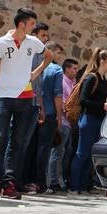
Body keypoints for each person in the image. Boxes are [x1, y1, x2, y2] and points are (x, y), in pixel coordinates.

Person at [0, 8, 52, 199]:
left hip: (26, 97)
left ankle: (10, 182)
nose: (33, 27)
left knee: (18, 143)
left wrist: (35, 73)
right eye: (31, 24)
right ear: (22, 24)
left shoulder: (33, 42)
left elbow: (49, 56)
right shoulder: (1, 43)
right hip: (5, 97)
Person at [70, 49, 107, 194]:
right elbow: (83, 100)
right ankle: (74, 186)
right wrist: (102, 106)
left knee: (90, 155)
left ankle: (83, 186)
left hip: (98, 119)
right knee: (82, 153)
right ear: (102, 61)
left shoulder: (103, 80)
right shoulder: (91, 78)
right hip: (88, 119)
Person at [19, 21, 50, 194]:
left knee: (27, 144)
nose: (45, 40)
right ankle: (16, 179)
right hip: (25, 100)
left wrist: (41, 106)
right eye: (43, 36)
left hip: (34, 102)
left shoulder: (39, 54)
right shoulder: (31, 53)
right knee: (20, 143)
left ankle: (21, 179)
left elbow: (39, 85)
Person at [35, 41, 64, 194]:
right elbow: (57, 95)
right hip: (50, 113)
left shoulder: (36, 67)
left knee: (33, 147)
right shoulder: (56, 70)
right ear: (50, 51)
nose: (59, 56)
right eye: (58, 52)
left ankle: (30, 180)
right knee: (44, 148)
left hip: (35, 110)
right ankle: (41, 182)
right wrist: (60, 116)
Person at [48, 56, 78, 192]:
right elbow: (63, 102)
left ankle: (59, 179)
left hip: (69, 123)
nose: (76, 71)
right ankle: (53, 180)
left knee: (64, 152)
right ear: (67, 69)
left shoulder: (73, 83)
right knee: (57, 152)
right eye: (74, 68)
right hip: (63, 121)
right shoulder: (63, 82)